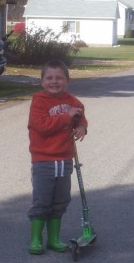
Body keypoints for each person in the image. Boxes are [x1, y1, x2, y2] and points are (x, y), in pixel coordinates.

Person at [27, 59, 88, 255]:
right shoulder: (39, 101)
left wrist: (81, 126)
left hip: (65, 160)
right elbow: (42, 127)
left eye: (59, 78)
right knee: (42, 200)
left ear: (67, 80)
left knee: (60, 200)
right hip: (43, 160)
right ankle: (36, 238)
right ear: (42, 81)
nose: (54, 81)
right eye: (49, 78)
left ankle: (54, 238)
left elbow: (80, 114)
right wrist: (67, 116)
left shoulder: (72, 101)